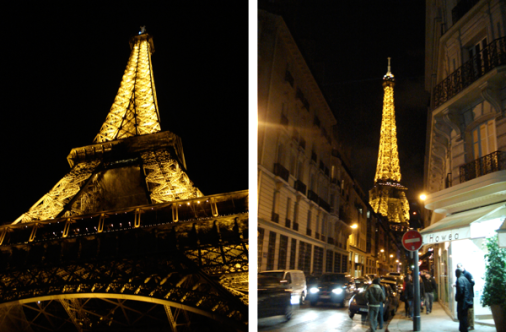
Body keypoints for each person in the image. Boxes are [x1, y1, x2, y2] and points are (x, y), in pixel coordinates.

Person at [457, 263, 475, 330]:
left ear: (463, 267)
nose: (459, 268)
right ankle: (466, 325)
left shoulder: (467, 274)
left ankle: (471, 325)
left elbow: (472, 283)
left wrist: (467, 289)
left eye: (459, 267)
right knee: (464, 312)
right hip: (464, 298)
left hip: (469, 296)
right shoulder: (460, 275)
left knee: (470, 311)